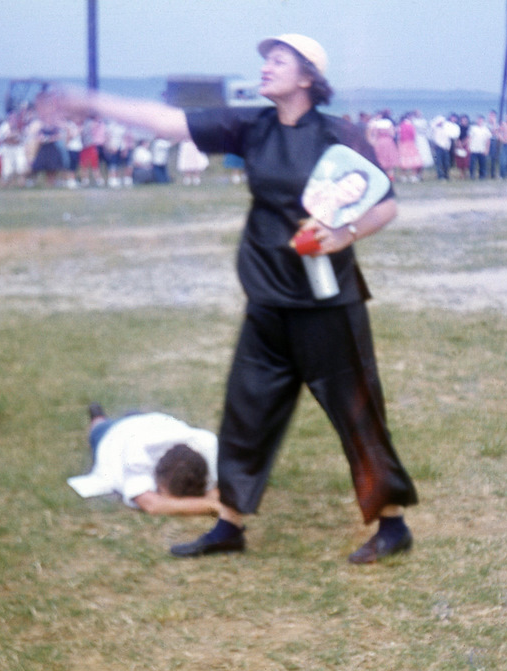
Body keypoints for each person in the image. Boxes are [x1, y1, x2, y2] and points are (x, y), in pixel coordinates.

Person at [47, 34, 418, 564]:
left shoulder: (339, 135)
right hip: (267, 301)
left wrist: (346, 233)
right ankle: (230, 525)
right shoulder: (253, 126)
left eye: (279, 61)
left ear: (307, 77)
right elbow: (167, 123)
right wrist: (92, 102)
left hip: (328, 308)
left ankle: (392, 523)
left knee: (358, 414)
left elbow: (385, 205)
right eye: (265, 60)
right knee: (246, 414)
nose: (265, 67)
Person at [68, 403, 220, 516]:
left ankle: (133, 415)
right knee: (99, 428)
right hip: (114, 436)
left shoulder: (208, 445)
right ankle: (98, 416)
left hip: (155, 422)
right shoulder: (136, 456)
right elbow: (152, 505)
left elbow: (218, 488)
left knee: (136, 419)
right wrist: (211, 506)